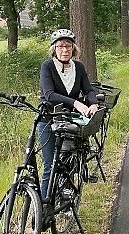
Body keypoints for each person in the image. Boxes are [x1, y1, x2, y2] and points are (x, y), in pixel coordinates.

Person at [38, 28, 99, 200]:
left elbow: (88, 89)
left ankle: (66, 196)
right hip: (48, 120)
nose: (64, 50)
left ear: (73, 48)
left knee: (67, 161)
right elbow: (49, 94)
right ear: (54, 49)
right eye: (60, 46)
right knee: (50, 166)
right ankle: (43, 207)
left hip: (69, 120)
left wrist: (93, 102)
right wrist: (76, 102)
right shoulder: (47, 66)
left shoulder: (78, 67)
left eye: (68, 46)